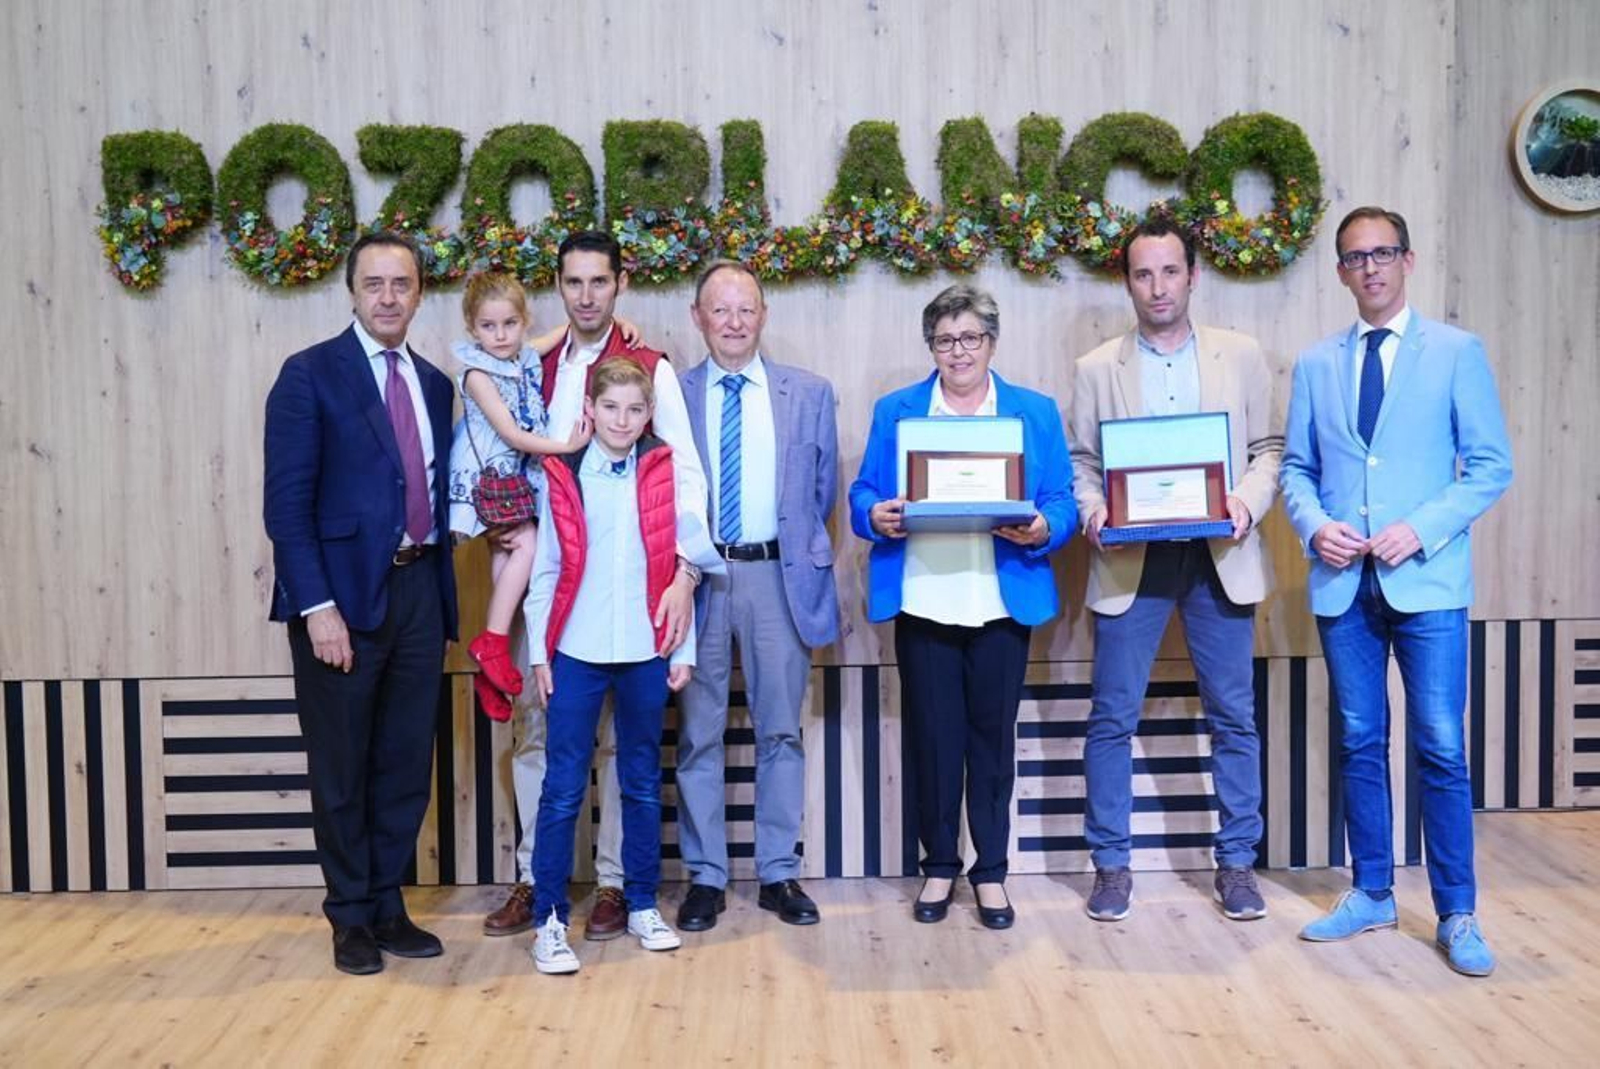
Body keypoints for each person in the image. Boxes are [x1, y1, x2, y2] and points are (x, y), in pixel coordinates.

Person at [1281, 206, 1512, 976]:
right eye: (1355, 257)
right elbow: (1296, 470)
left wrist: (1423, 528)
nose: (1370, 267)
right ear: (1341, 271)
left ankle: (1458, 912)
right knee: (1358, 739)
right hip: (1344, 582)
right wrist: (1314, 527)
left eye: (1383, 253)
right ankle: (1372, 888)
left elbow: (1489, 465)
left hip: (1429, 580)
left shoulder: (1455, 352)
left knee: (1442, 746)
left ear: (1407, 261)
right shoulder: (1316, 363)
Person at [483, 230, 713, 942]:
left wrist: (686, 572)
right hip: (547, 574)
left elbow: (683, 479)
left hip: (633, 594)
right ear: (558, 285)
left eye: (599, 282)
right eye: (574, 282)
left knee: (627, 754)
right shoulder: (535, 359)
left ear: (620, 284)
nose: (587, 295)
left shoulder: (650, 367)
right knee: (539, 737)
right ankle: (536, 879)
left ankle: (617, 883)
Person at [1067, 215, 1282, 924]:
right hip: (1133, 558)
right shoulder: (1097, 367)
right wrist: (1095, 513)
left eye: (1169, 271)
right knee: (1111, 716)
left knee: (1235, 716)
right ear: (1126, 280)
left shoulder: (1241, 354)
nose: (1156, 286)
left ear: (1193, 276)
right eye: (1141, 273)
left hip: (1219, 553)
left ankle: (1238, 864)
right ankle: (1111, 866)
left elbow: (1268, 449)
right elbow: (1082, 466)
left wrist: (1246, 507)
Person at [848, 283, 1076, 930]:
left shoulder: (1033, 411)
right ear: (931, 347)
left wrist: (1043, 528)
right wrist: (874, 513)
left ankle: (993, 872)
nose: (958, 351)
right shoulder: (898, 410)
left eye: (970, 337)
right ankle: (940, 863)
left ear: (991, 343)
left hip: (1001, 602)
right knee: (933, 741)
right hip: (924, 598)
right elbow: (863, 489)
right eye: (945, 340)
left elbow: (1060, 498)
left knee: (992, 743)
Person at [263, 231, 457, 976]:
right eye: (373, 283)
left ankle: (385, 903)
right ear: (351, 291)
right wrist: (316, 606)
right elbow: (286, 507)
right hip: (339, 600)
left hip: (419, 591)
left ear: (418, 293)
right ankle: (347, 915)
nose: (387, 296)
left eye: (400, 284)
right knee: (342, 766)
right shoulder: (310, 375)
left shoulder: (435, 384)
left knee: (406, 762)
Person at [674, 260, 840, 931]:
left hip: (778, 576)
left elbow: (820, 493)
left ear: (764, 315)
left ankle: (778, 871)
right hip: (699, 577)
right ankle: (706, 877)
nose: (734, 322)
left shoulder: (810, 392)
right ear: (698, 317)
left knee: (780, 730)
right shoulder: (673, 394)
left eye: (746, 309)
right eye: (721, 310)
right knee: (698, 733)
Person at [523, 359, 694, 974]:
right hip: (576, 652)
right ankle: (548, 919)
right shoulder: (562, 475)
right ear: (589, 411)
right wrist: (541, 653)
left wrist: (684, 647)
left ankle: (642, 901)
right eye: (611, 407)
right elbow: (545, 570)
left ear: (648, 416)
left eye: (635, 409)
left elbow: (678, 565)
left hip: (646, 651)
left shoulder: (661, 471)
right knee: (564, 787)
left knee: (643, 781)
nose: (622, 420)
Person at [447, 272, 590, 722]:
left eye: (510, 323)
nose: (501, 335)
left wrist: (624, 324)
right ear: (472, 328)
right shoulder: (476, 374)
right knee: (525, 542)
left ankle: (494, 662)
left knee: (511, 557)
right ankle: (491, 639)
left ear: (523, 320)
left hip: (513, 480)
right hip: (491, 479)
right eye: (489, 327)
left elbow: (564, 332)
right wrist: (567, 446)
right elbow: (511, 433)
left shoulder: (522, 355)